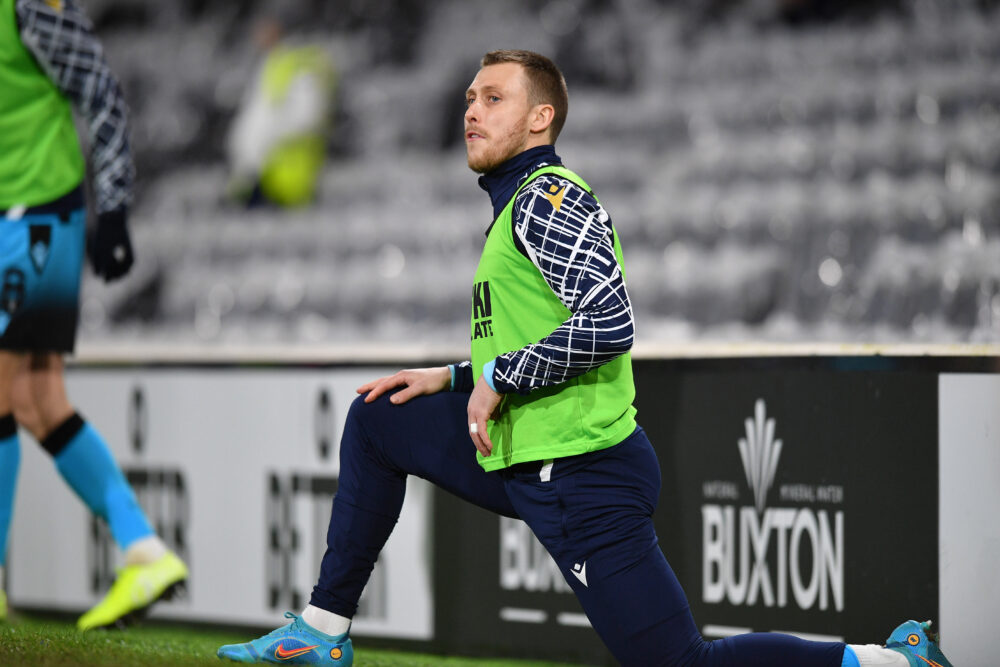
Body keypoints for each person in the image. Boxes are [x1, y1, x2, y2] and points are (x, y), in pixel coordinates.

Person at [216, 50, 952, 667]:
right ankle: (323, 631)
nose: (472, 111)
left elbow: (609, 321)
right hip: (526, 448)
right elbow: (537, 329)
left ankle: (895, 660)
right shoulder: (517, 204)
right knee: (380, 420)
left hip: (581, 472)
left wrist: (499, 377)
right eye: (469, 98)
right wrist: (457, 376)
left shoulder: (546, 200)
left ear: (540, 118)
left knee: (681, 663)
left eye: (494, 99)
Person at [0, 0, 187, 630]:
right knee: (36, 397)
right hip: (16, 217)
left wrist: (114, 205)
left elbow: (99, 87)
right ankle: (144, 550)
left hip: (33, 216)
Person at [225, 14, 336, 208]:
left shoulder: (299, 65)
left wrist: (267, 138)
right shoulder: (272, 63)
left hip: (286, 179)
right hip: (263, 174)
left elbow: (308, 117)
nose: (258, 37)